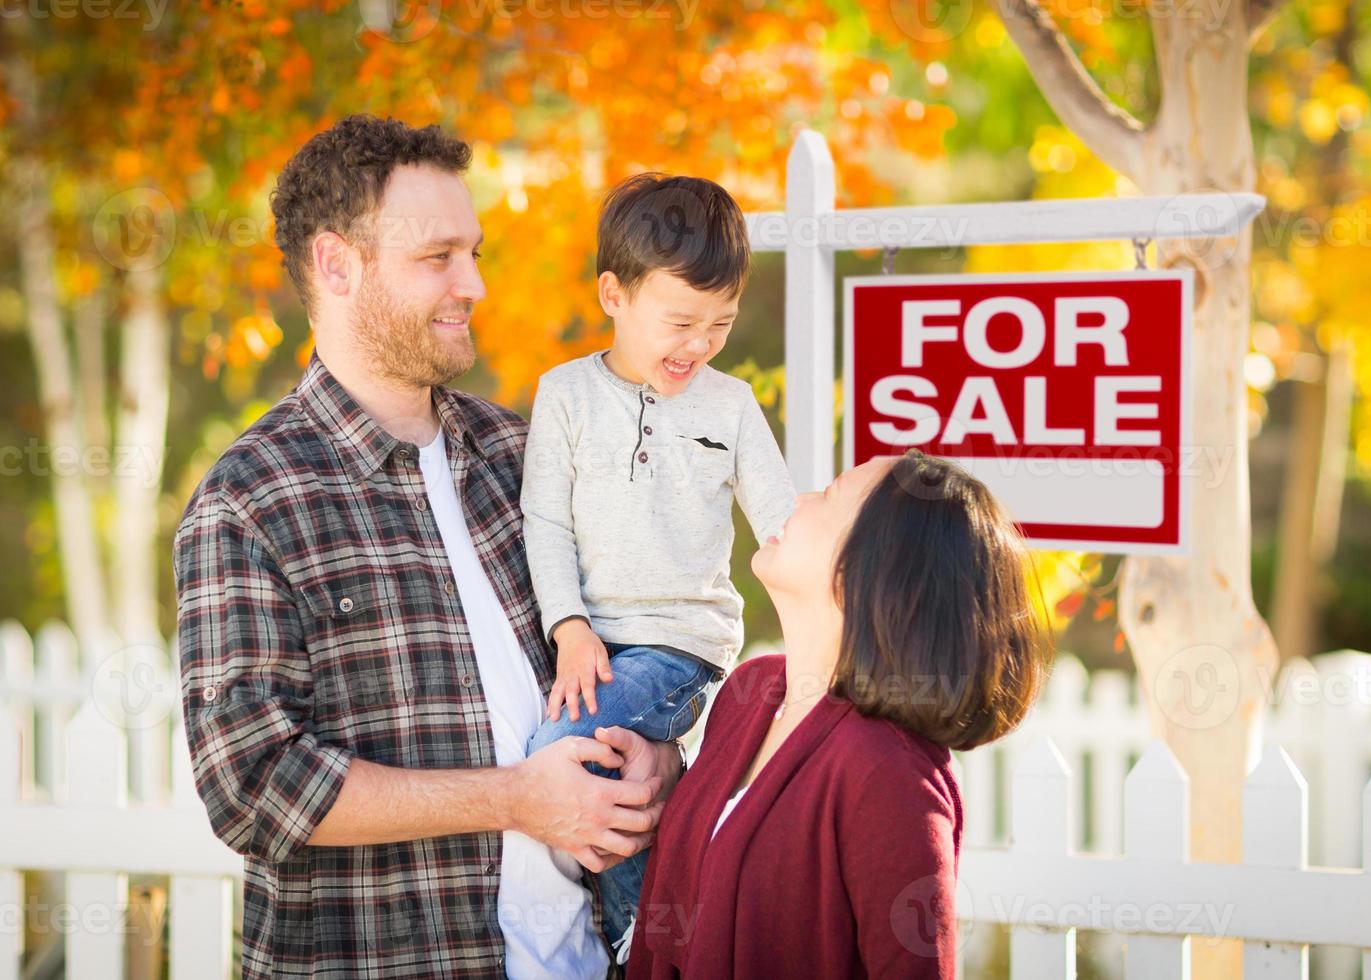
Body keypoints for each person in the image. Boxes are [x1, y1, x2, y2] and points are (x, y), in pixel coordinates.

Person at [173, 114, 681, 979]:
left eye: (474, 252)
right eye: (437, 257)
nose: (474, 284)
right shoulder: (250, 499)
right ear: (337, 265)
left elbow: (640, 642)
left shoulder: (525, 455)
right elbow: (253, 786)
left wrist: (659, 758)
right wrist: (517, 801)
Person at [625, 449, 1054, 979]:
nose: (796, 500)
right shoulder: (750, 692)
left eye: (829, 496)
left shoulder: (890, 774)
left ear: (869, 566)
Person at [519, 172, 797, 955]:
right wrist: (569, 627)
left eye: (721, 323)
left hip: (681, 650)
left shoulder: (732, 405)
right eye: (681, 322)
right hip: (593, 646)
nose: (700, 345)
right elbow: (544, 522)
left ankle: (644, 936)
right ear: (614, 294)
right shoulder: (564, 396)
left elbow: (783, 525)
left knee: (559, 750)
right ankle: (644, 931)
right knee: (581, 759)